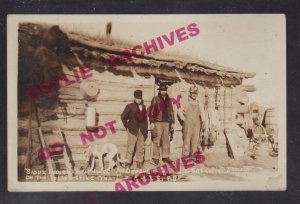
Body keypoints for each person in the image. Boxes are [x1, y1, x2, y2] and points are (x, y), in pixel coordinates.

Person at [121, 90, 148, 169]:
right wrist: (128, 127)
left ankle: (139, 163)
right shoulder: (129, 106)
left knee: (141, 148)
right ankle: (128, 163)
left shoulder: (143, 107)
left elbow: (145, 119)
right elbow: (123, 117)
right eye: (137, 98)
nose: (139, 100)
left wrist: (145, 130)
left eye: (140, 98)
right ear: (134, 98)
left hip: (141, 130)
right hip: (132, 130)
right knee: (131, 148)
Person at [150, 84, 175, 165]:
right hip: (158, 121)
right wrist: (152, 122)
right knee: (157, 140)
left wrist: (172, 122)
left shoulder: (168, 100)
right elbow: (151, 111)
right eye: (162, 90)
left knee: (166, 141)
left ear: (166, 91)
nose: (163, 91)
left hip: (167, 122)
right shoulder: (155, 99)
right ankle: (155, 157)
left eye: (164, 90)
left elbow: (171, 111)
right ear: (159, 90)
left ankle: (165, 157)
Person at [177, 86, 205, 158]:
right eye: (193, 93)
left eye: (195, 93)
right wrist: (183, 119)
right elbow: (179, 111)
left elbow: (202, 113)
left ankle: (193, 155)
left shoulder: (199, 103)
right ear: (190, 93)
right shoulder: (186, 102)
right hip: (188, 123)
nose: (194, 95)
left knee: (195, 139)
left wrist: (203, 121)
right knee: (187, 139)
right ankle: (185, 156)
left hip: (197, 123)